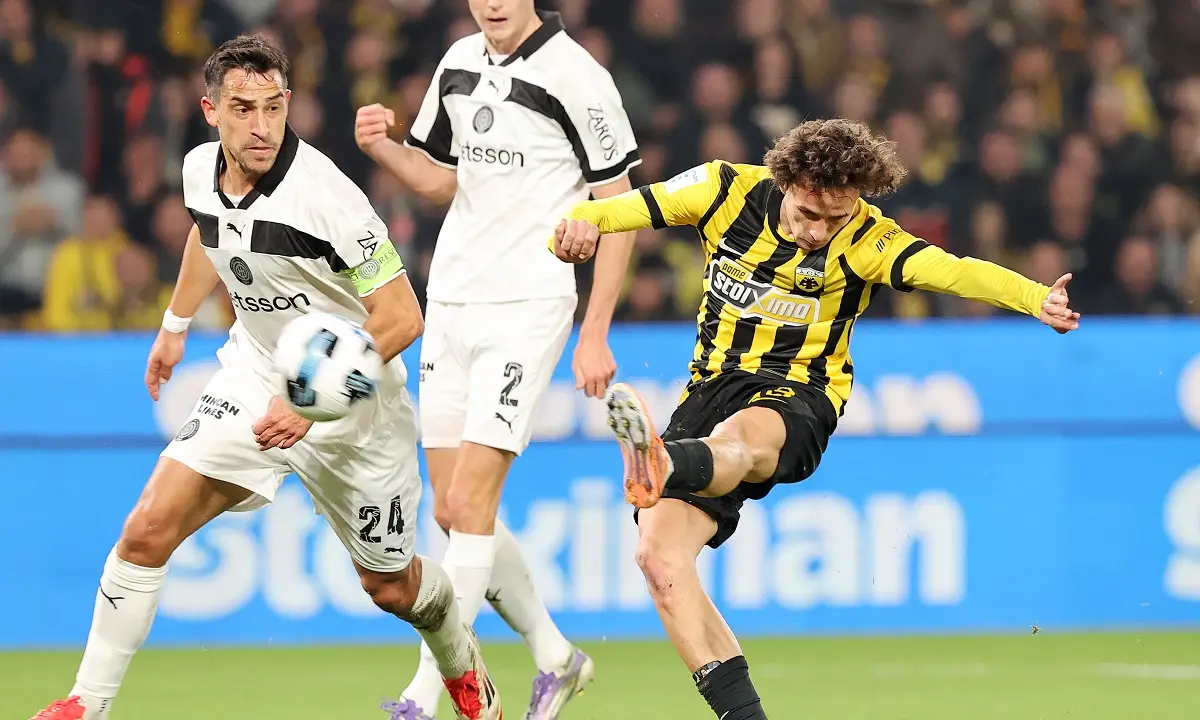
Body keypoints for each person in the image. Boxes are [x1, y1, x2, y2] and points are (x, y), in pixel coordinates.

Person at [32, 36, 501, 720]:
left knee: (391, 588)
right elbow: (212, 232)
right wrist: (174, 323)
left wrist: (310, 404)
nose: (261, 126)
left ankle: (461, 661)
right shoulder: (199, 170)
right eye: (243, 109)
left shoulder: (328, 198)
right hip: (255, 372)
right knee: (146, 530)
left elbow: (403, 316)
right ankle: (87, 703)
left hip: (354, 406)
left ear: (289, 105)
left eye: (273, 107)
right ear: (210, 111)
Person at [550, 118, 1081, 720]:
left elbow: (955, 270)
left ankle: (668, 461)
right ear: (783, 181)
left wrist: (1034, 297)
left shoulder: (869, 240)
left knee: (740, 441)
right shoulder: (722, 191)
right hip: (711, 388)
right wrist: (577, 227)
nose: (817, 232)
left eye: (834, 219)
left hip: (799, 395)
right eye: (807, 214)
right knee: (659, 559)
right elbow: (617, 209)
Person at [354, 2, 641, 718]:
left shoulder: (578, 76)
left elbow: (621, 206)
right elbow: (442, 179)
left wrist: (595, 329)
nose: (493, 2)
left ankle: (427, 695)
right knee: (452, 511)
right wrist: (384, 148)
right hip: (451, 301)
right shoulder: (457, 62)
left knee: (473, 503)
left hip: (527, 306)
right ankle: (556, 656)